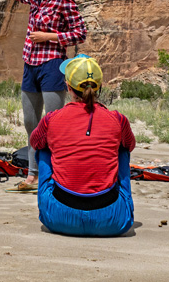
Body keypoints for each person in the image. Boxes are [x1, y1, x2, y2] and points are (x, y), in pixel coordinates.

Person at [0, 0, 87, 192]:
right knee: (30, 123)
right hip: (30, 65)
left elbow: (80, 33)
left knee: (53, 123)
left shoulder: (63, 0)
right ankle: (34, 174)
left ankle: (53, 176)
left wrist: (50, 36)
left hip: (52, 65)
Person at [31, 55, 135, 237]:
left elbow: (34, 142)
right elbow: (130, 145)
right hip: (112, 221)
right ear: (99, 87)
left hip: (58, 218)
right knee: (123, 148)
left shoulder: (51, 118)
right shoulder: (118, 119)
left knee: (43, 146)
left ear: (68, 87)